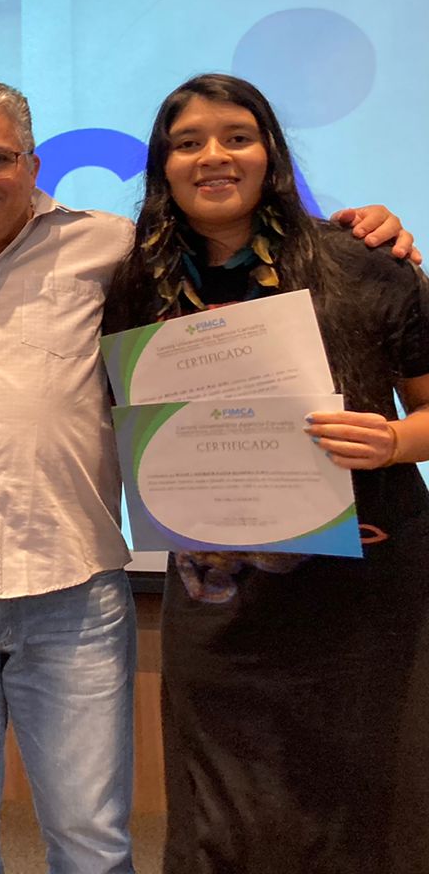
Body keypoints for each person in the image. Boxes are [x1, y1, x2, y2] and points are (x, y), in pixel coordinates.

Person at [0, 76, 416, 874]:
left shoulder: (113, 248)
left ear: (33, 163)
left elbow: (234, 236)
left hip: (77, 588)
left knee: (92, 838)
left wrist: (373, 227)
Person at [101, 73, 429, 873]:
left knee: (369, 804)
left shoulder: (363, 262)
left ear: (270, 153)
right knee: (223, 814)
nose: (213, 156)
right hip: (219, 600)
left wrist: (391, 441)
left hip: (366, 592)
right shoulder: (139, 286)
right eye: (188, 143)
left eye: (237, 137)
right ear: (163, 166)